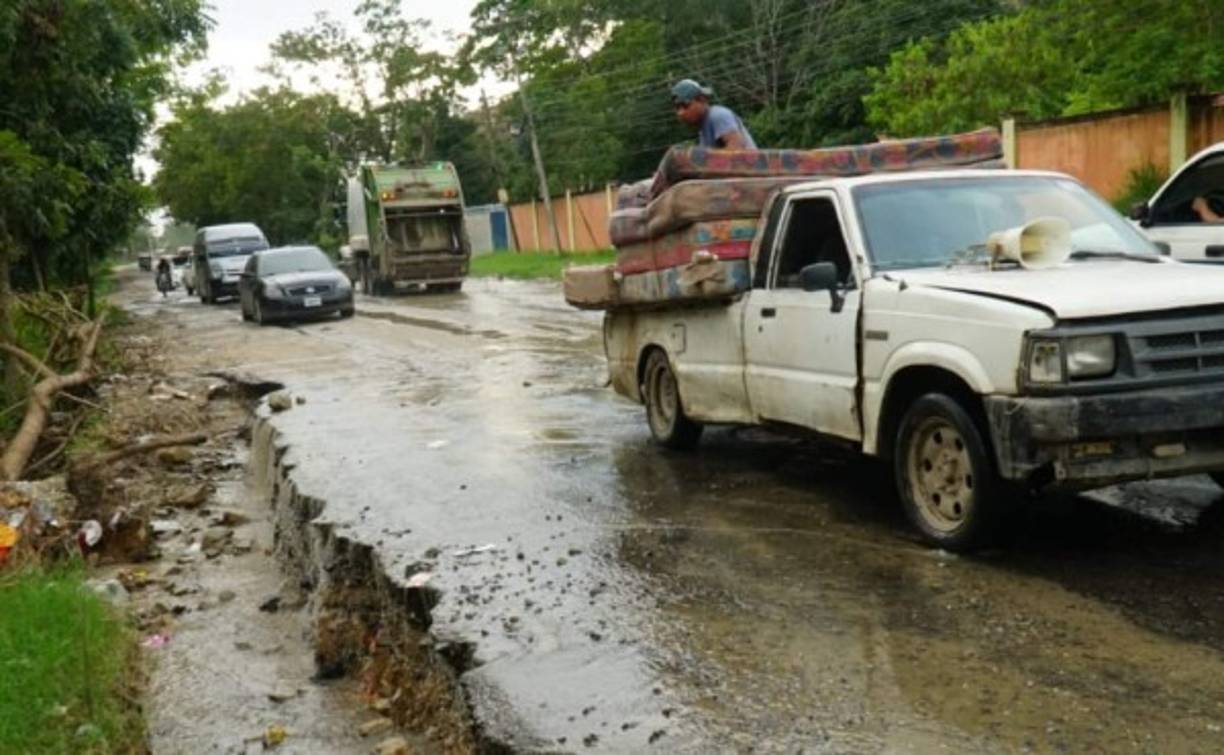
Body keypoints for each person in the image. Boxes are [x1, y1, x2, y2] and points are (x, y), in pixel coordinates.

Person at [671, 79, 757, 150]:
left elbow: (737, 147)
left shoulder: (718, 115)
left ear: (702, 100)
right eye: (677, 108)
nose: (680, 113)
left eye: (685, 105)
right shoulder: (703, 129)